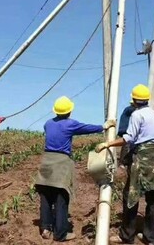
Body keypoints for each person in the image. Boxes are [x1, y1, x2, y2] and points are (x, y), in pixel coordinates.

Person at [35, 96, 115, 242]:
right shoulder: (70, 124)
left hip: (46, 161)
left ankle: (45, 228)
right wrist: (104, 126)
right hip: (61, 162)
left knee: (46, 196)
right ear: (69, 111)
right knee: (61, 197)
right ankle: (61, 234)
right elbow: (86, 128)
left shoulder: (48, 123)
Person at [96, 84, 154, 245]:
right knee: (153, 199)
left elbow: (128, 138)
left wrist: (108, 144)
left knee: (131, 196)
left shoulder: (137, 115)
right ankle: (151, 238)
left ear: (134, 100)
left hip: (141, 157)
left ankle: (126, 236)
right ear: (146, 99)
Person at [117, 101, 135, 166]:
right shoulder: (129, 109)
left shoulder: (128, 109)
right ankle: (123, 162)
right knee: (126, 144)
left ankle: (125, 161)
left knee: (127, 144)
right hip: (125, 129)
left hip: (125, 129)